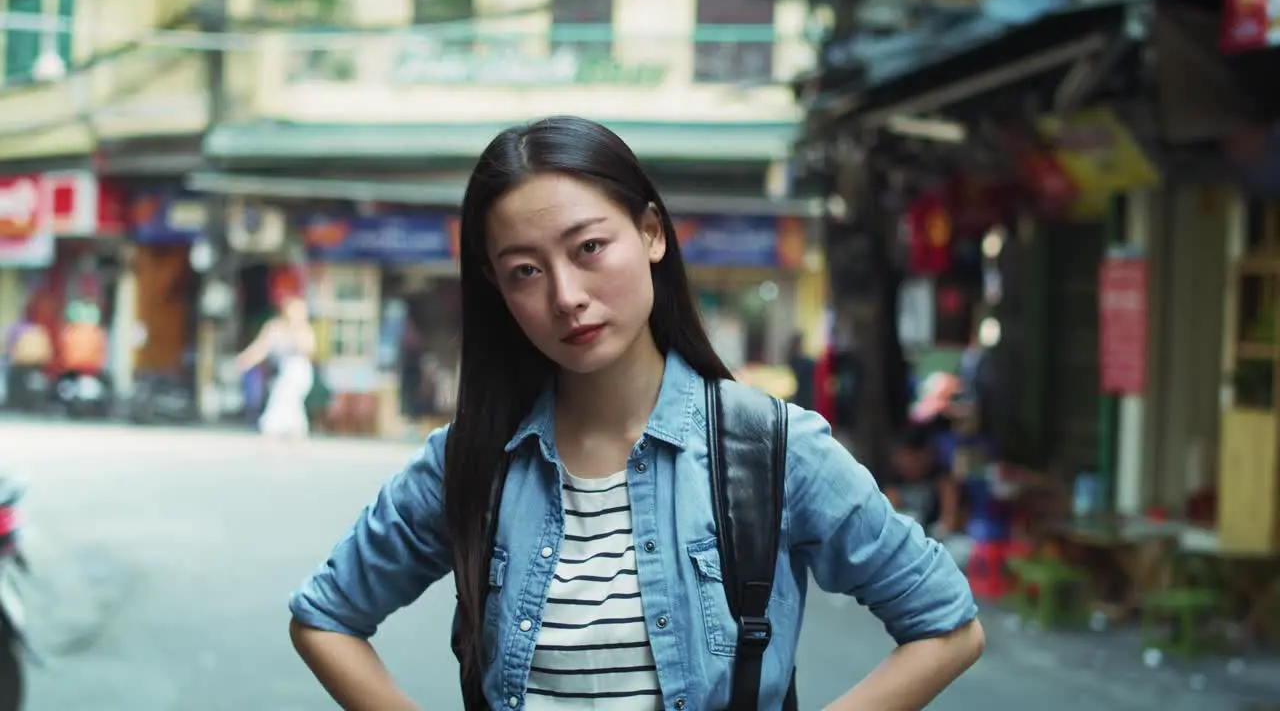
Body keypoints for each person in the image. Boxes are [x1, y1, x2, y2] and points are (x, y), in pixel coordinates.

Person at [287, 117, 983, 711]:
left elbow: (948, 627)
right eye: (525, 270)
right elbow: (325, 616)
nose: (567, 296)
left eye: (589, 248)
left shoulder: (769, 449)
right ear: (496, 289)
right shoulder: (470, 462)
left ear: (651, 233)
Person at [235, 295, 316, 439]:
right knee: (285, 400)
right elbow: (260, 347)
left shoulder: (305, 330)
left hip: (298, 371)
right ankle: (294, 431)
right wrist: (245, 360)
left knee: (284, 398)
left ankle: (275, 429)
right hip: (282, 370)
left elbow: (309, 350)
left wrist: (296, 332)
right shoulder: (274, 327)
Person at [883, 423, 961, 538]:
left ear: (926, 455)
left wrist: (941, 531)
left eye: (913, 458)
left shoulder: (942, 479)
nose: (908, 464)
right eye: (903, 457)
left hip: (938, 539)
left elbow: (949, 518)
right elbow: (890, 519)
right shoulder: (892, 482)